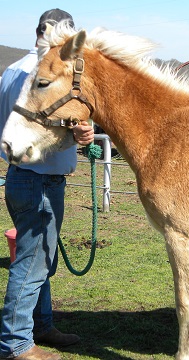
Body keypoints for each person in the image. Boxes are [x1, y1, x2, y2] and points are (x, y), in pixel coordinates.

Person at [0, 9, 94, 360]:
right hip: (41, 180)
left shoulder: (11, 71)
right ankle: (15, 344)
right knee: (31, 262)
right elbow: (43, 128)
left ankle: (41, 325)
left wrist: (74, 132)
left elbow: (15, 129)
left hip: (20, 177)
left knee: (38, 259)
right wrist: (76, 136)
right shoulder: (44, 73)